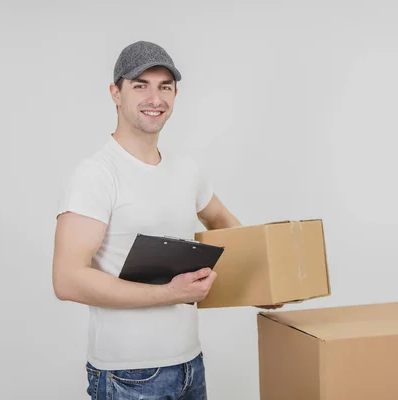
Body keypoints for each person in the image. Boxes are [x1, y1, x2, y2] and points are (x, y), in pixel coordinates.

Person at [52, 40, 273, 400]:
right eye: (140, 85)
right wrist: (170, 293)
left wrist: (265, 285)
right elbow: (67, 279)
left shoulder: (187, 170)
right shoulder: (95, 174)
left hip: (190, 364)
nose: (155, 98)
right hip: (127, 375)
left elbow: (228, 227)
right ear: (115, 93)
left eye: (164, 87)